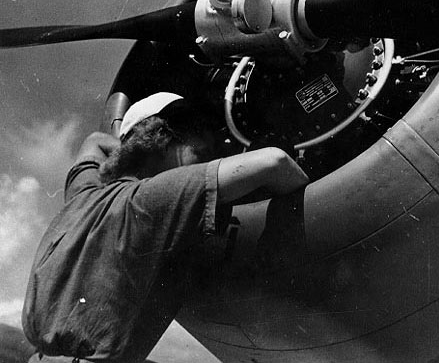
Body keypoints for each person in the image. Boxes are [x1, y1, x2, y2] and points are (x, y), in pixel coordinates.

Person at [22, 92, 309, 363]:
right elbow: (275, 161)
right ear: (157, 140)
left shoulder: (83, 192)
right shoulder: (154, 199)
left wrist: (129, 149)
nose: (209, 148)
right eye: (195, 138)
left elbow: (95, 141)